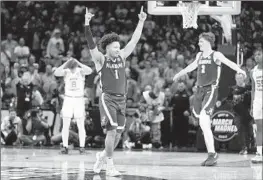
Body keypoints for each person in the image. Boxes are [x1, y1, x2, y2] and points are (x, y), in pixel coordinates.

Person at [85, 6, 146, 176]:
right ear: (107, 48)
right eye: (114, 47)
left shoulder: (123, 57)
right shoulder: (100, 59)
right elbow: (91, 44)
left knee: (118, 134)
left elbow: (134, 40)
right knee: (111, 132)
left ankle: (102, 157)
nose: (118, 49)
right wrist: (86, 25)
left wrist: (141, 21)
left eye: (119, 46)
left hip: (122, 100)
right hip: (108, 99)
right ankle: (110, 166)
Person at [173, 32, 247, 166]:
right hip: (199, 90)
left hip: (210, 89)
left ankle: (212, 154)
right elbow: (192, 66)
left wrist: (239, 70)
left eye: (200, 41)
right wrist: (180, 73)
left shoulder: (216, 55)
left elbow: (229, 63)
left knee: (203, 118)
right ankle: (212, 153)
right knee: (202, 123)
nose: (198, 43)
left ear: (207, 42)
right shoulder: (199, 55)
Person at [54, 57, 92, 154]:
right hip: (68, 99)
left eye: (73, 63)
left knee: (80, 124)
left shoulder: (80, 71)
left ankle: (82, 147)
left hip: (79, 99)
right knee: (65, 124)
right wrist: (66, 62)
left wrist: (79, 61)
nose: (72, 64)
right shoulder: (66, 71)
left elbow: (90, 70)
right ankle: (65, 146)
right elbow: (56, 73)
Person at [250, 49, 263, 163]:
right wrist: (252, 105)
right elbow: (253, 89)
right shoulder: (253, 71)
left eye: (259, 54)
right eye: (255, 55)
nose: (257, 57)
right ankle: (259, 153)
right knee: (259, 127)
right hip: (258, 101)